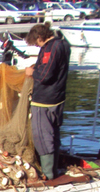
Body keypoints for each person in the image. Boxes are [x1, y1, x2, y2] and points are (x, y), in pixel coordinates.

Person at [25, 22, 70, 180]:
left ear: (39, 37)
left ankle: (49, 175)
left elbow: (45, 75)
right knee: (53, 134)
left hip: (44, 101)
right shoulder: (64, 44)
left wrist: (32, 72)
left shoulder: (51, 48)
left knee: (42, 137)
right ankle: (54, 169)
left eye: (36, 42)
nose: (37, 46)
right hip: (58, 98)